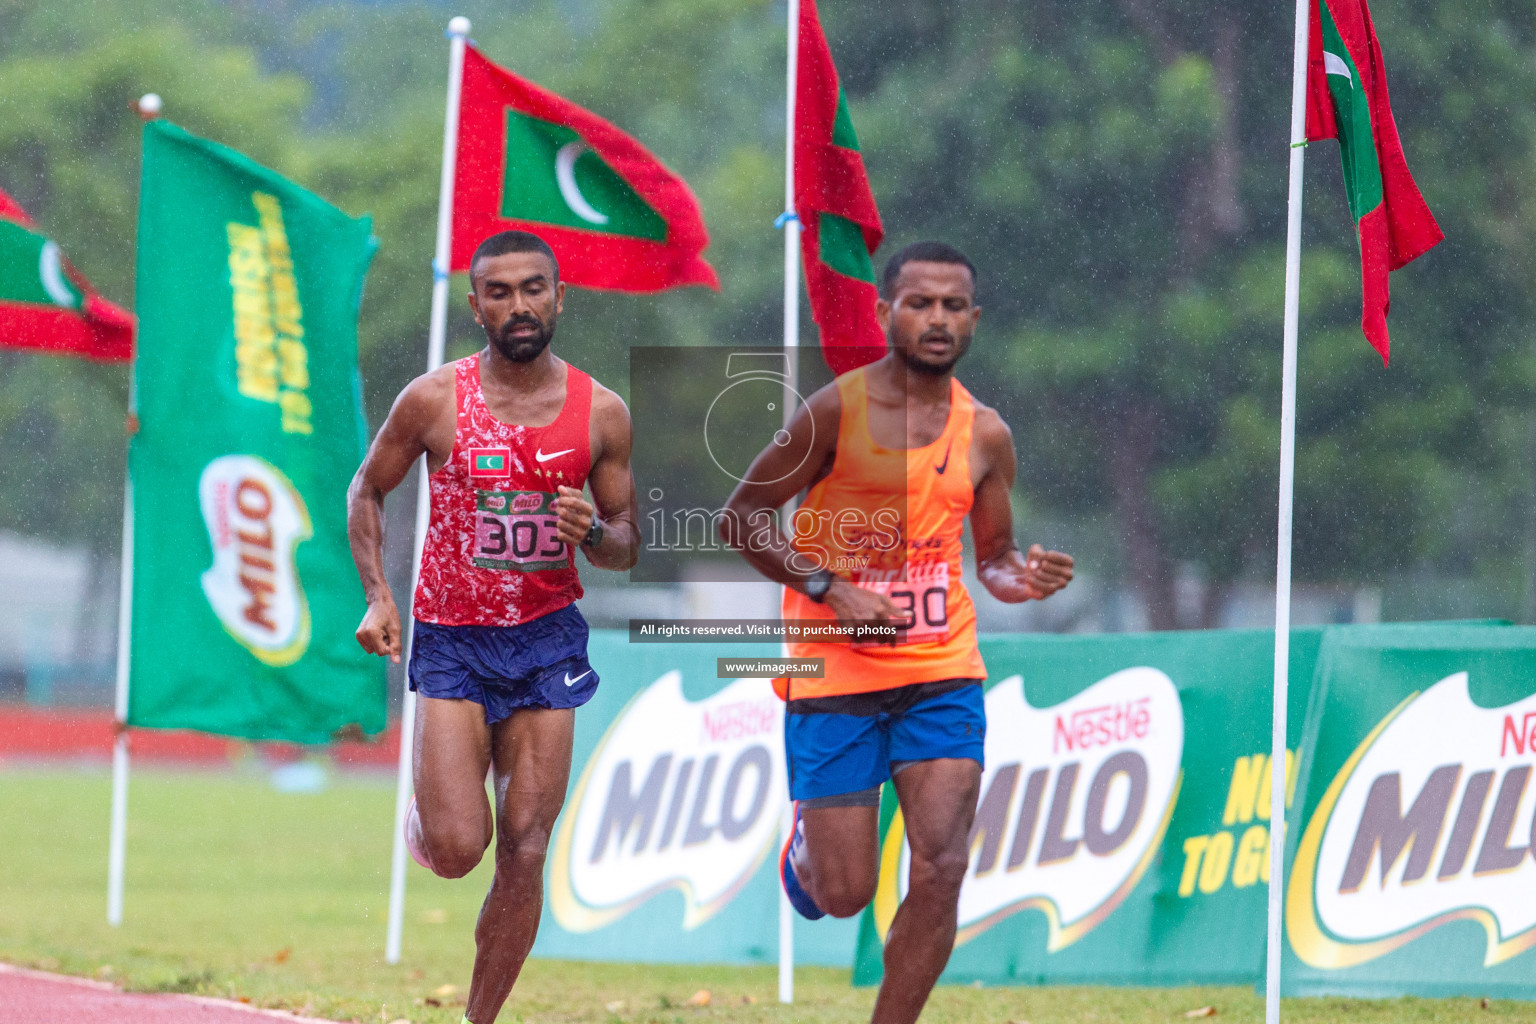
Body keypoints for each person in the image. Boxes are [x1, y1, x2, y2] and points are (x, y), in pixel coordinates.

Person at [720, 241, 1074, 1024]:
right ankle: (804, 851)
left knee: (942, 866)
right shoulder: (834, 413)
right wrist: (827, 587)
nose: (937, 318)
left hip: (942, 671)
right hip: (835, 677)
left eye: (953, 305)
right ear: (886, 312)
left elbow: (997, 558)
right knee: (843, 895)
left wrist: (1027, 574)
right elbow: (739, 518)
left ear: (974, 320)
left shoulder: (986, 434)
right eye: (920, 302)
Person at [347, 230, 638, 1024]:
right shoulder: (434, 400)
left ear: (559, 297)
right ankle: (424, 816)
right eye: (500, 292)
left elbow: (626, 542)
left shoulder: (601, 412)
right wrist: (379, 595)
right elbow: (367, 491)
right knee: (457, 851)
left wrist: (591, 533)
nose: (519, 305)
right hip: (452, 637)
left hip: (547, 639)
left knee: (528, 847)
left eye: (533, 289)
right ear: (476, 304)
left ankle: (479, 1019)